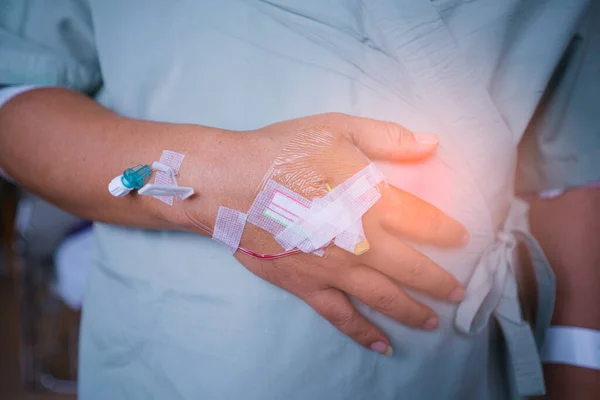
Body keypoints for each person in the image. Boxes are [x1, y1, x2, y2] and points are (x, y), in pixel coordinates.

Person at [0, 1, 598, 399]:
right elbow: (14, 101)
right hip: (186, 355)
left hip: (453, 363)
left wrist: (578, 367)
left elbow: (574, 173)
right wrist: (214, 185)